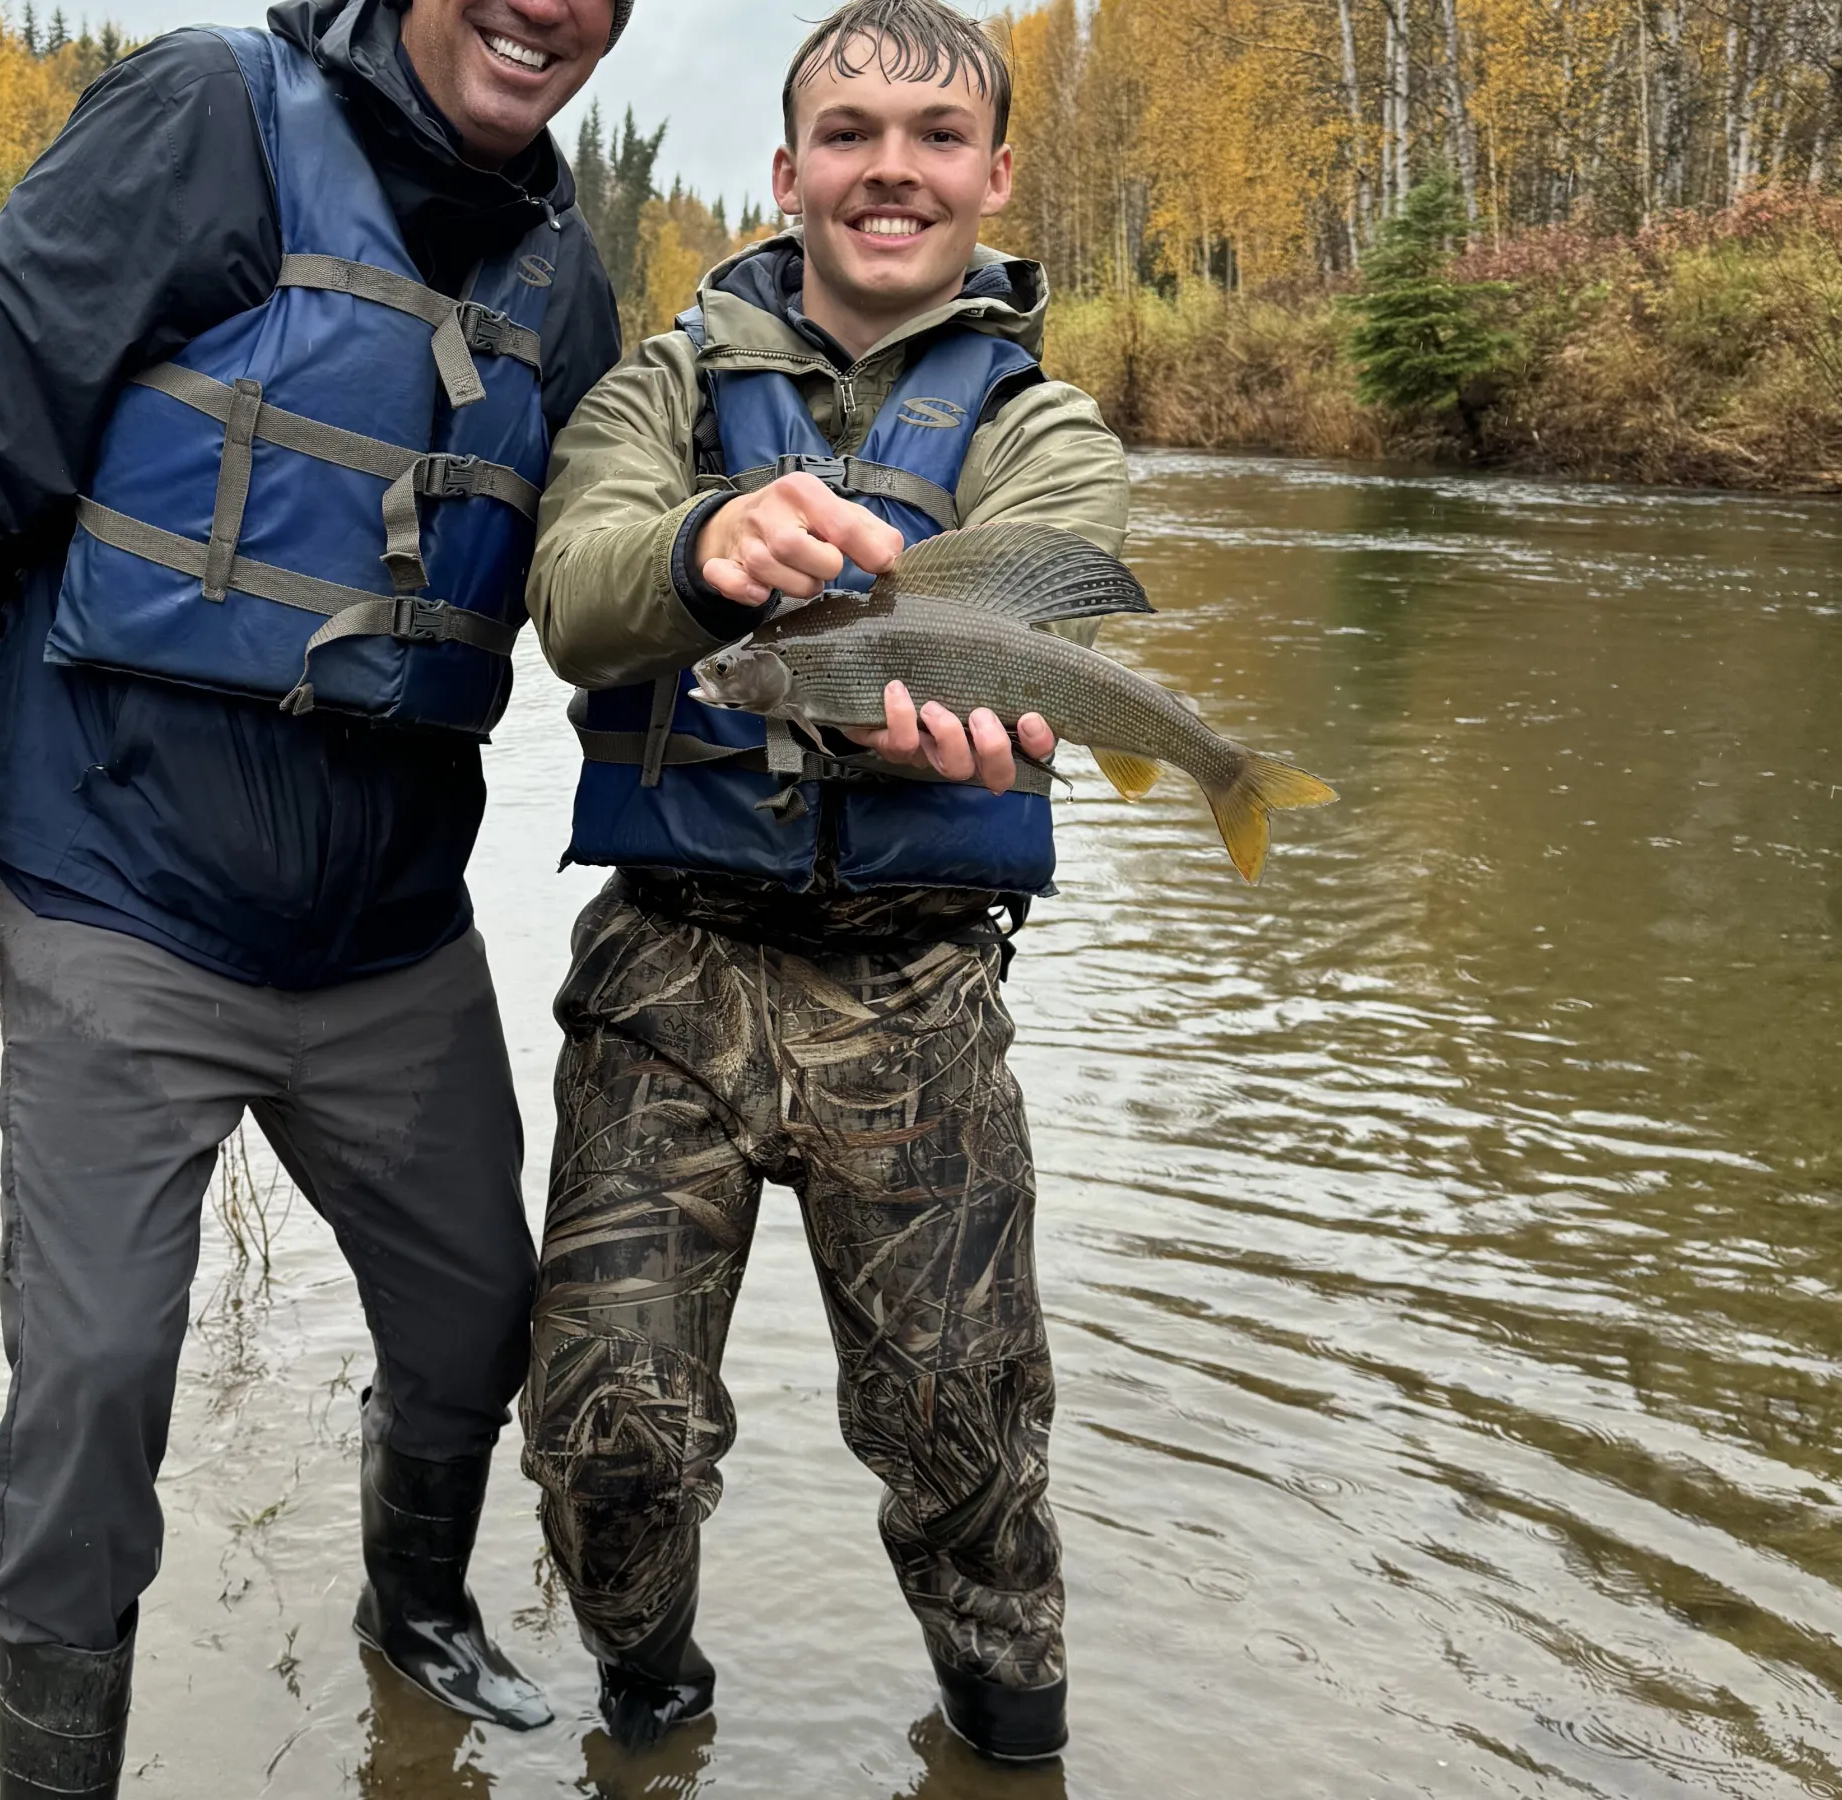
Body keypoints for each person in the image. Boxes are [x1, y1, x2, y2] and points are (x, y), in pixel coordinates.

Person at [0, 1, 628, 1791]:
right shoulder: (206, 116)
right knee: (96, 1380)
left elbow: (611, 606)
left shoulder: (567, 285)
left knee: (478, 1315)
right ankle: (64, 1763)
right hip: (121, 897)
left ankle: (411, 1613)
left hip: (387, 946)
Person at [517, 0, 1134, 1764]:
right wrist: (708, 550)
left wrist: (973, 719)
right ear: (785, 171)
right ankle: (653, 1717)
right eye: (847, 131)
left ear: (995, 174)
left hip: (919, 990)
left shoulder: (1049, 424)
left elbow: (1055, 607)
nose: (890, 167)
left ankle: (1013, 1743)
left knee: (965, 1440)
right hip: (667, 973)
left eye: (935, 138)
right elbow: (576, 594)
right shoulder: (659, 385)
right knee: (609, 1426)